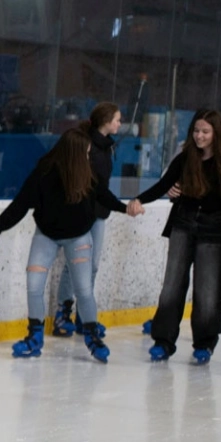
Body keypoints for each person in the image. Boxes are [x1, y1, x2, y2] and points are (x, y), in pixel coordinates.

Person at [0, 128, 137, 363]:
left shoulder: (88, 173)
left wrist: (124, 208)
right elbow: (20, 205)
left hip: (78, 237)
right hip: (46, 235)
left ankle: (92, 336)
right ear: (75, 152)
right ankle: (34, 337)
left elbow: (103, 195)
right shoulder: (43, 174)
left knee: (83, 289)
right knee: (34, 285)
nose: (89, 154)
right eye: (87, 150)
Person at [131, 108, 221, 364]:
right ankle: (163, 341)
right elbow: (162, 186)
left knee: (207, 290)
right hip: (183, 224)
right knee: (172, 286)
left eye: (205, 132)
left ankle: (205, 343)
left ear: (217, 133)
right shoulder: (185, 159)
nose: (199, 136)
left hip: (215, 230)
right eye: (196, 131)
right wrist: (138, 199)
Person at [52, 102, 124, 337]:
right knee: (75, 264)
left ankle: (85, 316)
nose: (119, 123)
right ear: (106, 121)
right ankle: (62, 315)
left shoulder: (107, 148)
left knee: (92, 265)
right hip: (81, 211)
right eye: (117, 119)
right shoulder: (85, 145)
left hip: (99, 213)